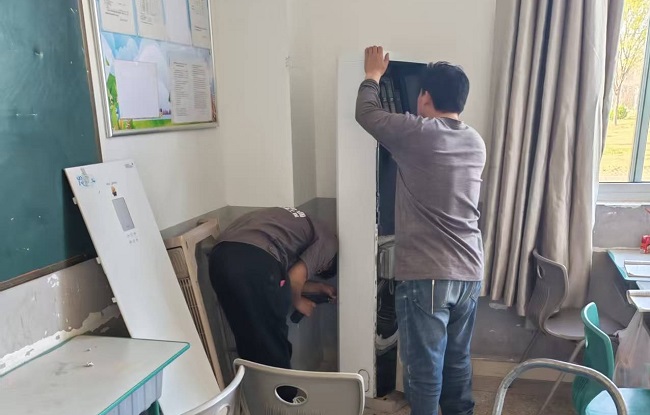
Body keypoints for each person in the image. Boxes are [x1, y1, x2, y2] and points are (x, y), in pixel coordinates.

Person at [356, 46, 486, 415]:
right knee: (457, 363)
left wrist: (372, 75)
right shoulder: (475, 141)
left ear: (425, 96)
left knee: (424, 373)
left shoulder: (418, 133)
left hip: (427, 275)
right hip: (469, 272)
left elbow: (366, 113)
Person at [209, 207, 337, 374]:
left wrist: (318, 287)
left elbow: (283, 279)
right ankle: (282, 389)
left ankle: (256, 388)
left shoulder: (299, 224)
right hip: (254, 261)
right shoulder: (330, 244)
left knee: (249, 338)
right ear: (328, 263)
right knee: (273, 345)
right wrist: (299, 302)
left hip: (220, 257)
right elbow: (295, 279)